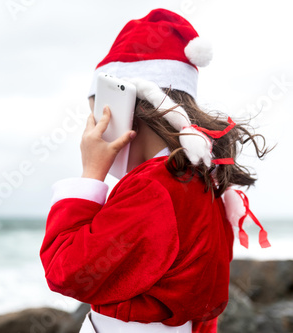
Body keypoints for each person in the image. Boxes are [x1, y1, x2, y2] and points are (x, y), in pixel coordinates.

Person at [39, 8, 272, 333]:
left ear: (122, 109)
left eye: (97, 117)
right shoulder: (201, 180)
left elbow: (66, 271)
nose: (94, 132)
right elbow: (203, 308)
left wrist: (91, 175)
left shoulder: (154, 186)